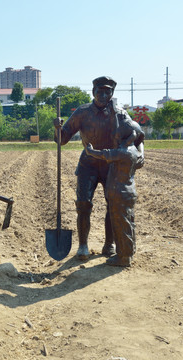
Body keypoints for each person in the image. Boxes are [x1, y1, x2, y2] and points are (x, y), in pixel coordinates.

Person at [53, 76, 144, 260]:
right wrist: (57, 128)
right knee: (83, 204)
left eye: (107, 91)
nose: (103, 95)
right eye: (100, 91)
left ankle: (109, 244)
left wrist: (141, 153)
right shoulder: (82, 112)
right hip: (88, 164)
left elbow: (138, 135)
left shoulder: (120, 113)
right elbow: (62, 139)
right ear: (93, 92)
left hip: (111, 165)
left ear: (112, 93)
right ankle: (83, 245)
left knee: (113, 205)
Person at [85, 120, 144, 267]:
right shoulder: (134, 151)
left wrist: (90, 151)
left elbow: (104, 154)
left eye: (118, 136)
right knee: (128, 223)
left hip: (119, 194)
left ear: (126, 138)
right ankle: (130, 250)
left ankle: (123, 257)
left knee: (120, 224)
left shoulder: (124, 152)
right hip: (127, 192)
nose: (115, 138)